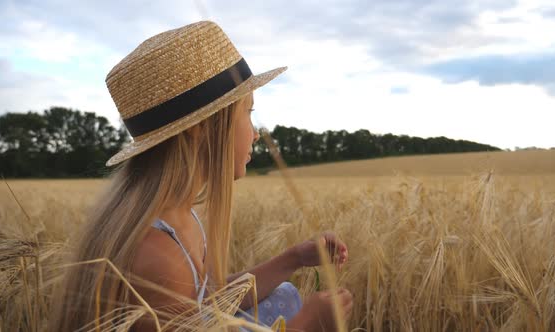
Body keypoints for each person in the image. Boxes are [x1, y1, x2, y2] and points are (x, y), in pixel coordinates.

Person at [48, 21, 353, 331]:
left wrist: (293, 258)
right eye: (248, 112)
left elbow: (206, 304)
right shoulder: (157, 252)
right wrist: (305, 325)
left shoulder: (181, 216)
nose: (257, 133)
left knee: (283, 293)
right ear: (201, 127)